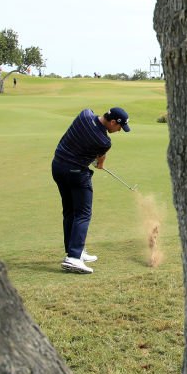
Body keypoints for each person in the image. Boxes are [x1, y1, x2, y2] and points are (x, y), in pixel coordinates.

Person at [52, 106, 131, 273]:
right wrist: (99, 162)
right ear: (112, 122)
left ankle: (75, 251)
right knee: (83, 214)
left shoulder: (84, 114)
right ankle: (73, 258)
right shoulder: (104, 141)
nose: (119, 131)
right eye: (119, 127)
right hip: (76, 174)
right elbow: (99, 163)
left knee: (70, 212)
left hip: (58, 166)